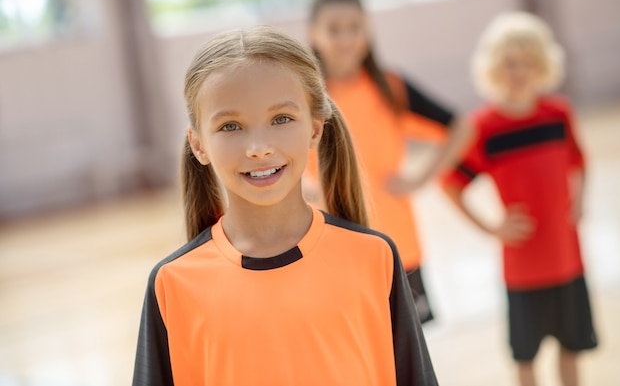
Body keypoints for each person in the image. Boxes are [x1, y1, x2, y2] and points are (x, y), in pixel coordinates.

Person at [132, 25, 438, 386]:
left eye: (281, 119)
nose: (259, 147)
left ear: (314, 128)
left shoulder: (375, 257)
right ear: (198, 144)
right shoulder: (173, 284)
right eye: (230, 126)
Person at [440, 12, 597, 386]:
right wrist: (493, 227)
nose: (520, 71)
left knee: (572, 350)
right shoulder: (485, 128)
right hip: (523, 268)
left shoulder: (558, 114)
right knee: (526, 360)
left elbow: (580, 160)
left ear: (542, 65)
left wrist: (580, 201)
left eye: (529, 62)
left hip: (568, 259)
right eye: (511, 63)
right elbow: (451, 184)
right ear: (494, 68)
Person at [306, 0, 472, 323]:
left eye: (354, 28)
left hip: (398, 243)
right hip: (332, 244)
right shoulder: (304, 95)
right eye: (334, 29)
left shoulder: (390, 87)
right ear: (313, 33)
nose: (346, 38)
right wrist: (303, 189)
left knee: (409, 353)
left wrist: (419, 178)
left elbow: (461, 127)